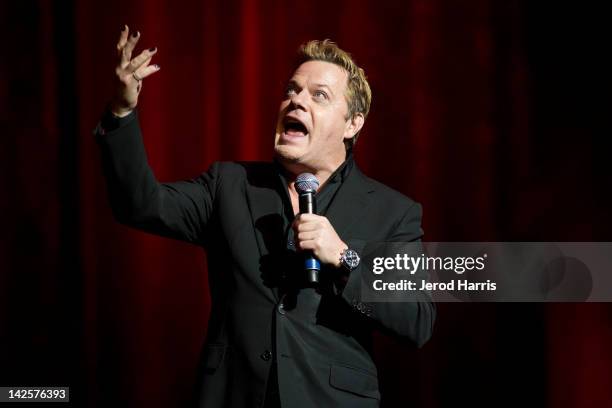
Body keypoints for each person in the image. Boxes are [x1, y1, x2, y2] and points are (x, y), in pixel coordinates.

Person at [95, 25, 435, 408]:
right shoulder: (229, 185)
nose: (296, 101)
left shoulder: (392, 211)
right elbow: (139, 204)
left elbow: (417, 320)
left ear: (353, 124)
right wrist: (122, 111)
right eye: (292, 90)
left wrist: (344, 257)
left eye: (319, 96)